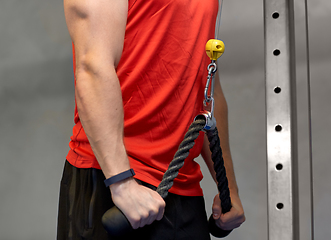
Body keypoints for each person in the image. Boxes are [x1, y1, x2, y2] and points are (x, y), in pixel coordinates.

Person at [57, 0, 245, 239]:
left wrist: (228, 187)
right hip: (115, 186)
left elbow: (205, 84)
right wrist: (121, 183)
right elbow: (93, 67)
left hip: (181, 186)